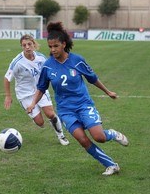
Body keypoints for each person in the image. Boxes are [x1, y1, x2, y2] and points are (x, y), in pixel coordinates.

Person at [27, 22, 129, 176]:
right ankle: (111, 165)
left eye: (55, 46)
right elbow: (41, 87)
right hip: (66, 111)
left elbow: (92, 78)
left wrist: (108, 92)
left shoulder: (77, 60)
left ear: (64, 44)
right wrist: (33, 103)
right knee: (83, 140)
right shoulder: (47, 66)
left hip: (83, 105)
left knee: (99, 137)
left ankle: (113, 134)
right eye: (50, 47)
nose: (52, 50)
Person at [4, 34, 69, 146]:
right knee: (40, 123)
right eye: (24, 45)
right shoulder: (17, 62)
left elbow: (50, 70)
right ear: (21, 47)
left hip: (40, 90)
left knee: (50, 114)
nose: (27, 47)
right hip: (24, 95)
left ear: (33, 44)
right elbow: (7, 78)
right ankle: (44, 118)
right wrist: (8, 96)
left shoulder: (41, 58)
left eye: (29, 44)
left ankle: (61, 136)